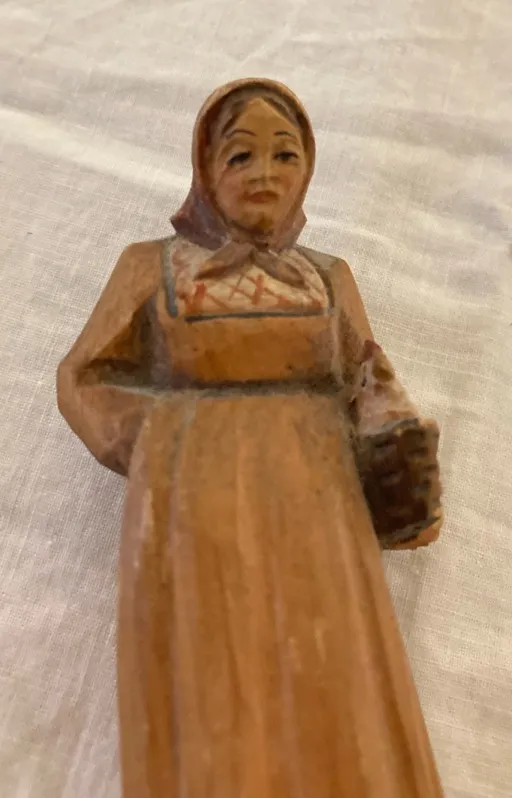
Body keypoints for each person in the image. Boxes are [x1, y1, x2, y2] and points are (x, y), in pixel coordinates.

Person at [57, 78, 443, 797]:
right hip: (194, 506)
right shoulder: (150, 267)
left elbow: (369, 376)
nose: (264, 173)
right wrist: (165, 446)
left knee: (334, 661)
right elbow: (82, 377)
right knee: (213, 664)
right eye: (240, 155)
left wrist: (399, 450)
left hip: (318, 502)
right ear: (206, 169)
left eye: (284, 154)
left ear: (308, 169)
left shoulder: (329, 277)